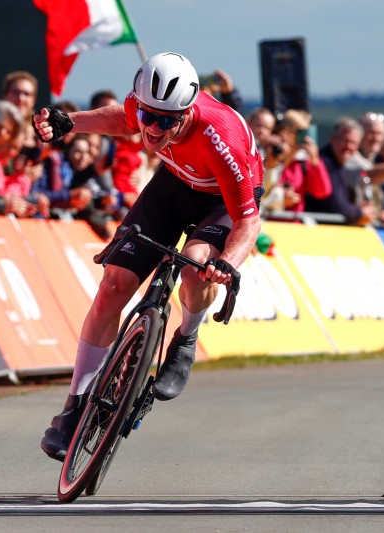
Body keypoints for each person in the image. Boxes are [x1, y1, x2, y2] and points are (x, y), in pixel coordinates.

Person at [33, 52, 263, 461]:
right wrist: (72, 121)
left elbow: (249, 222)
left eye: (167, 120)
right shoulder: (142, 108)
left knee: (196, 271)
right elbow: (121, 121)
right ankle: (74, 407)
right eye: (149, 116)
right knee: (112, 286)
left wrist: (227, 262)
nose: (154, 129)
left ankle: (187, 336)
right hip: (173, 186)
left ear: (188, 110)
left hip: (221, 203)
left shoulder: (220, 137)